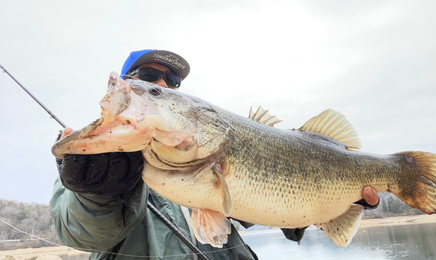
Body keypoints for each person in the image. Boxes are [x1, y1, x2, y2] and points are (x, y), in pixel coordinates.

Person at [50, 49, 379, 260]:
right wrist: (98, 192)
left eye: (172, 80)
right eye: (150, 79)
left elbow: (262, 202)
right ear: (125, 84)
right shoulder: (92, 156)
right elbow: (81, 233)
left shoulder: (206, 142)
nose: (164, 83)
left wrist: (332, 205)